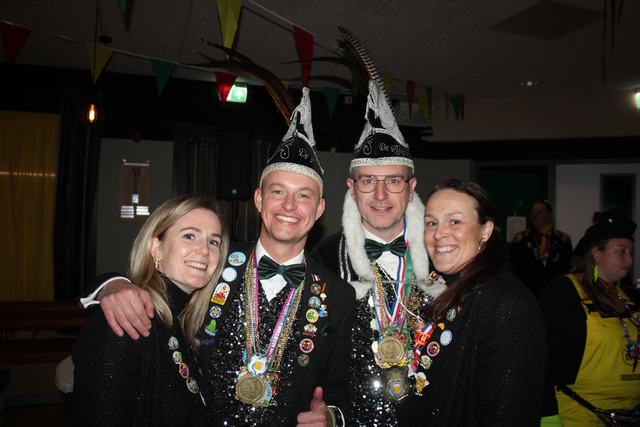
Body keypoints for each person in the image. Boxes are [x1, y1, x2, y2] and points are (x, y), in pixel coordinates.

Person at [80, 88, 356, 426]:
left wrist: (331, 417)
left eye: (303, 196)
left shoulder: (340, 296)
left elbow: (342, 387)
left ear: (320, 208)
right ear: (259, 199)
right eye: (278, 191)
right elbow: (158, 285)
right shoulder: (214, 263)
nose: (289, 205)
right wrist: (112, 285)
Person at [312, 80, 445, 426]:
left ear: (411, 187)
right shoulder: (324, 259)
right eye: (369, 181)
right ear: (352, 188)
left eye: (394, 181)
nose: (381, 195)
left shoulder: (443, 254)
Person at [397, 179, 547, 425]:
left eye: (454, 222)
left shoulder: (506, 305)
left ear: (485, 231)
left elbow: (508, 414)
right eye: (431, 223)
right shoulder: (444, 289)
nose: (438, 233)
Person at [73, 195, 228, 426]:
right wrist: (108, 285)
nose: (204, 250)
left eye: (213, 242)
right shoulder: (126, 319)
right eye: (189, 236)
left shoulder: (187, 323)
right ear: (156, 248)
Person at [540, 208, 640, 426]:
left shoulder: (629, 296)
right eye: (622, 251)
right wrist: (547, 415)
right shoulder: (564, 292)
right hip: (579, 414)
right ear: (597, 253)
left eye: (631, 252)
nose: (630, 260)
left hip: (629, 415)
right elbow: (542, 358)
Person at [510, 200, 573, 299]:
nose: (534, 215)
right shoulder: (520, 240)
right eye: (532, 212)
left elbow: (567, 268)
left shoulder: (562, 239)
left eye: (539, 212)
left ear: (549, 215)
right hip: (528, 294)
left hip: (556, 294)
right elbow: (513, 269)